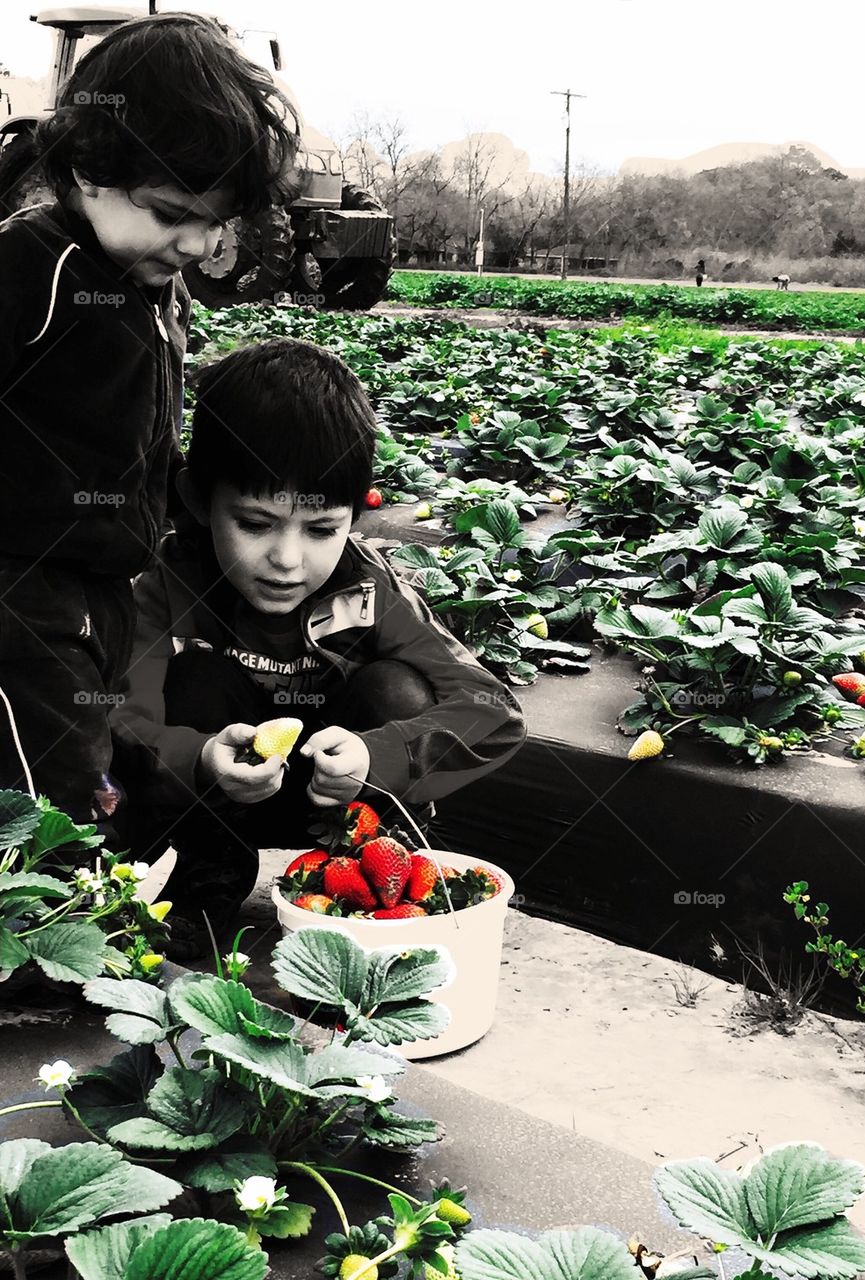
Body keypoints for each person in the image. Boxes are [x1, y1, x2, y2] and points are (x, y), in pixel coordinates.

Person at [110, 338, 528, 957]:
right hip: (220, 796)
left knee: (398, 687)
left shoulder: (369, 587)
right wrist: (199, 758)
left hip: (338, 804)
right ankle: (205, 879)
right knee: (194, 678)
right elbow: (120, 722)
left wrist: (375, 756)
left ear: (358, 515)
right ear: (199, 501)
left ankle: (370, 881)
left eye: (321, 529)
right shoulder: (164, 583)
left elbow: (496, 713)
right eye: (254, 524)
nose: (286, 560)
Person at [0, 14, 297, 839]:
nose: (199, 243)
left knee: (86, 761)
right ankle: (43, 958)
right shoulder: (30, 263)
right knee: (42, 796)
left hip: (103, 584)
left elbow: (147, 438)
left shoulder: (151, 278)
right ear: (90, 169)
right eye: (174, 214)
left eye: (215, 222)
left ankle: (86, 928)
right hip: (20, 592)